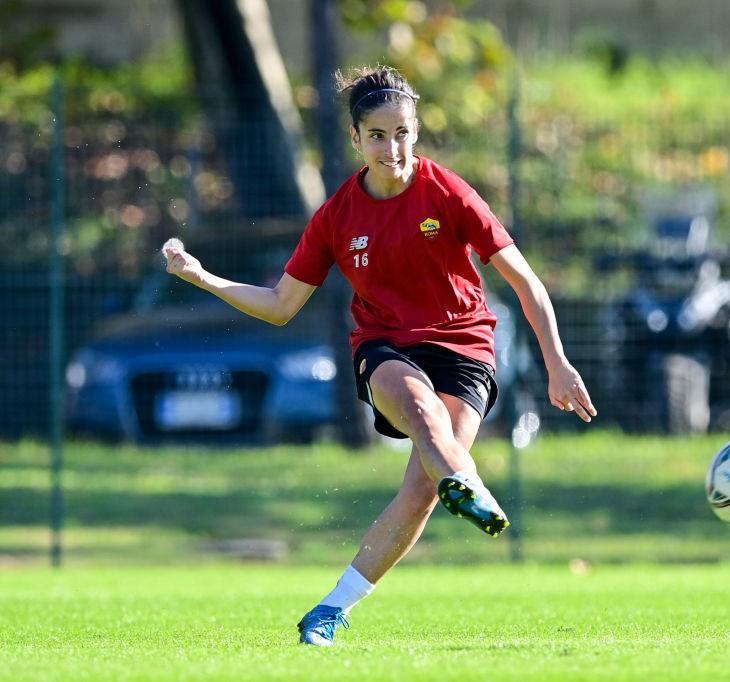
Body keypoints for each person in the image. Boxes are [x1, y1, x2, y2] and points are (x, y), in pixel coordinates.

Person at [163, 64, 596, 647]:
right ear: (356, 139)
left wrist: (558, 363)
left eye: (403, 133)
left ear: (416, 131)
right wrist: (202, 277)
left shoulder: (449, 193)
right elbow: (280, 304)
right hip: (386, 347)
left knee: (422, 488)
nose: (393, 149)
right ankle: (466, 481)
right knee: (421, 413)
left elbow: (526, 283)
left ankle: (332, 608)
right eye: (378, 135)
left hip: (466, 346)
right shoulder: (338, 215)